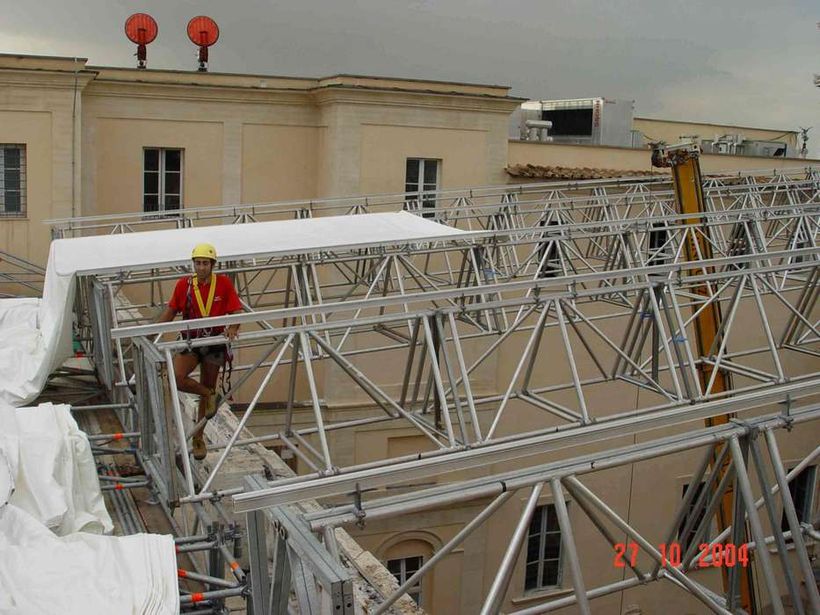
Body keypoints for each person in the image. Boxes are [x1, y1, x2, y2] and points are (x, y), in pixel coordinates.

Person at [157, 243, 242, 460]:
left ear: (212, 265)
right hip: (192, 340)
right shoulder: (184, 285)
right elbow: (171, 310)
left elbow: (236, 310)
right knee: (176, 378)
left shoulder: (222, 284)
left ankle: (198, 437)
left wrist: (232, 328)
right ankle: (209, 394)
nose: (201, 267)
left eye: (205, 263)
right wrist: (152, 333)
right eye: (198, 263)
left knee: (208, 386)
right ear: (193, 264)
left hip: (214, 342)